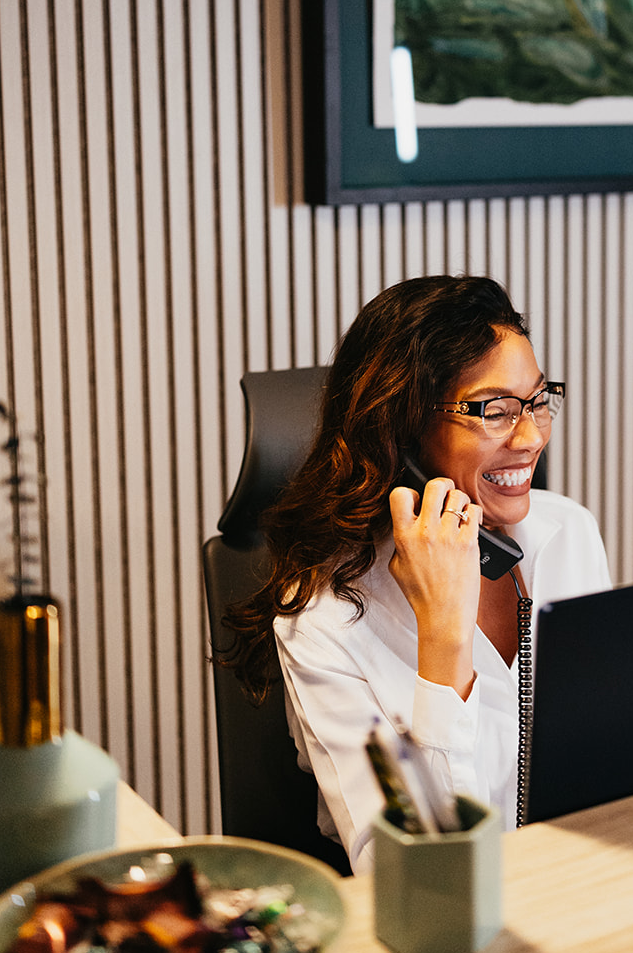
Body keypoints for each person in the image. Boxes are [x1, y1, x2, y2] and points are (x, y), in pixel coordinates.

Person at [225, 275, 610, 872]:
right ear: (401, 429)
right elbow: (419, 875)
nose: (532, 436)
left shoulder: (569, 535)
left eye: (537, 401)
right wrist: (444, 638)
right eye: (495, 411)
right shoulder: (323, 619)